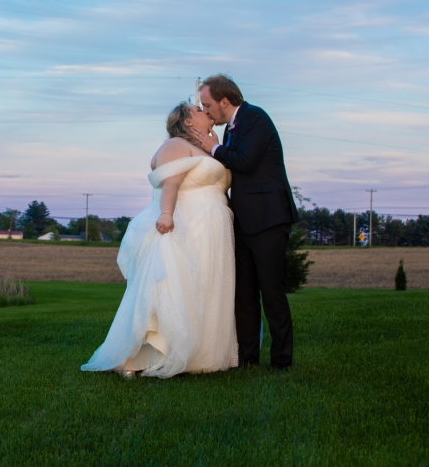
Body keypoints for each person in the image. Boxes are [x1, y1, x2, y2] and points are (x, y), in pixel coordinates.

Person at [81, 102, 238, 378]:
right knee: (177, 288)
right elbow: (171, 184)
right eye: (199, 110)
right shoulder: (175, 145)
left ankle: (199, 355)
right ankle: (144, 357)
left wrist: (214, 145)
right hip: (187, 224)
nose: (206, 112)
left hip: (211, 230)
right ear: (188, 122)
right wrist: (166, 214)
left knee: (205, 288)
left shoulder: (209, 147)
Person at [190, 74, 299, 371]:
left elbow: (245, 161)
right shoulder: (232, 128)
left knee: (272, 293)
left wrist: (213, 148)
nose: (206, 111)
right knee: (244, 295)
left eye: (208, 104)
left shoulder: (255, 118)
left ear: (225, 102)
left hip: (268, 219)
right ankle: (248, 360)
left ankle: (281, 362)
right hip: (244, 222)